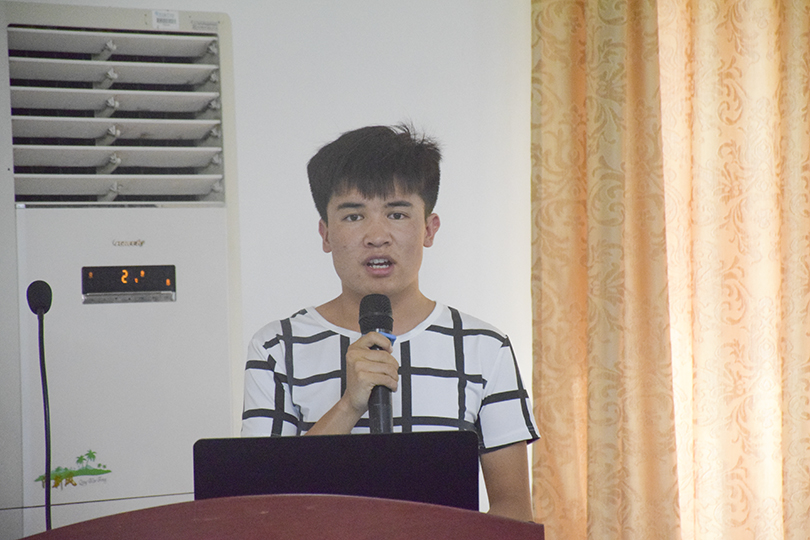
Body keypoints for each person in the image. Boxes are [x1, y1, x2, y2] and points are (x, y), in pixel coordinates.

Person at [241, 124, 539, 521]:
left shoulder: (484, 346)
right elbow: (260, 508)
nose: (377, 236)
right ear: (325, 233)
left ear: (429, 228)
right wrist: (349, 405)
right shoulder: (276, 347)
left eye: (397, 214)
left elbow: (513, 508)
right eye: (353, 216)